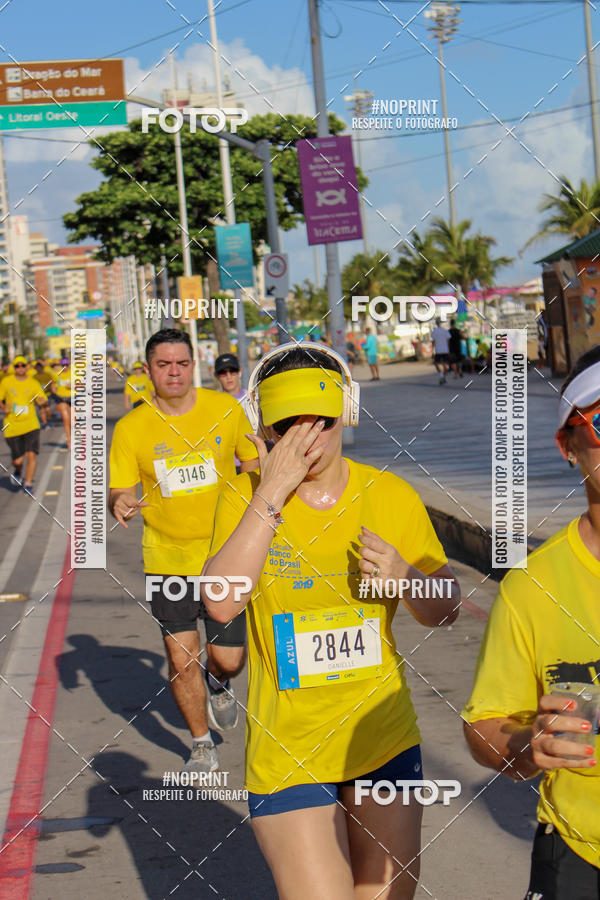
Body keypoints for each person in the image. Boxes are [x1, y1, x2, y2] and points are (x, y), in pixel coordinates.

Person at [203, 342, 461, 899]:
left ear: (345, 411)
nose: (305, 439)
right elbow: (221, 602)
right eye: (287, 425)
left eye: (318, 422)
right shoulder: (244, 499)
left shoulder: (390, 495)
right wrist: (271, 489)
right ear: (264, 426)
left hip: (382, 738)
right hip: (288, 751)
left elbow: (446, 609)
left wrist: (406, 577)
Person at [462, 345, 600, 899]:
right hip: (579, 851)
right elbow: (484, 727)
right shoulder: (533, 588)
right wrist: (527, 745)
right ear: (568, 446)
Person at [108, 329, 258, 774]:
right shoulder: (131, 427)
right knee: (180, 658)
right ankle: (201, 743)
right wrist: (118, 501)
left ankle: (219, 683)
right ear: (149, 369)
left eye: (182, 363)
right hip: (167, 557)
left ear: (194, 365)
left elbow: (251, 463)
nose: (174, 372)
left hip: (224, 557)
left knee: (228, 659)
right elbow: (119, 486)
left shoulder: (224, 409)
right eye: (163, 364)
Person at [0, 354, 48, 493]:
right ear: (14, 368)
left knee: (31, 454)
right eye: (17, 366)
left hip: (31, 424)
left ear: (27, 367)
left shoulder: (33, 382)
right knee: (18, 460)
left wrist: (42, 402)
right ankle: (18, 470)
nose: (20, 368)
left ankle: (28, 484)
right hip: (12, 426)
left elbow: (41, 398)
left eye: (22, 365)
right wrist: (4, 407)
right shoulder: (7, 382)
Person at [50, 357, 72, 449]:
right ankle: (69, 441)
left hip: (72, 397)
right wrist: (55, 392)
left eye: (67, 365)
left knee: (72, 420)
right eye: (63, 365)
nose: (65, 367)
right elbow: (52, 386)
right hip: (61, 398)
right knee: (66, 420)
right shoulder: (56, 375)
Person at [430, 320, 450, 384]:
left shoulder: (434, 331)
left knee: (436, 363)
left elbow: (433, 341)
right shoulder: (445, 331)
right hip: (445, 350)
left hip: (438, 350)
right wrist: (448, 348)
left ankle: (441, 375)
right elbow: (448, 340)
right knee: (445, 364)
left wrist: (432, 351)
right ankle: (443, 376)